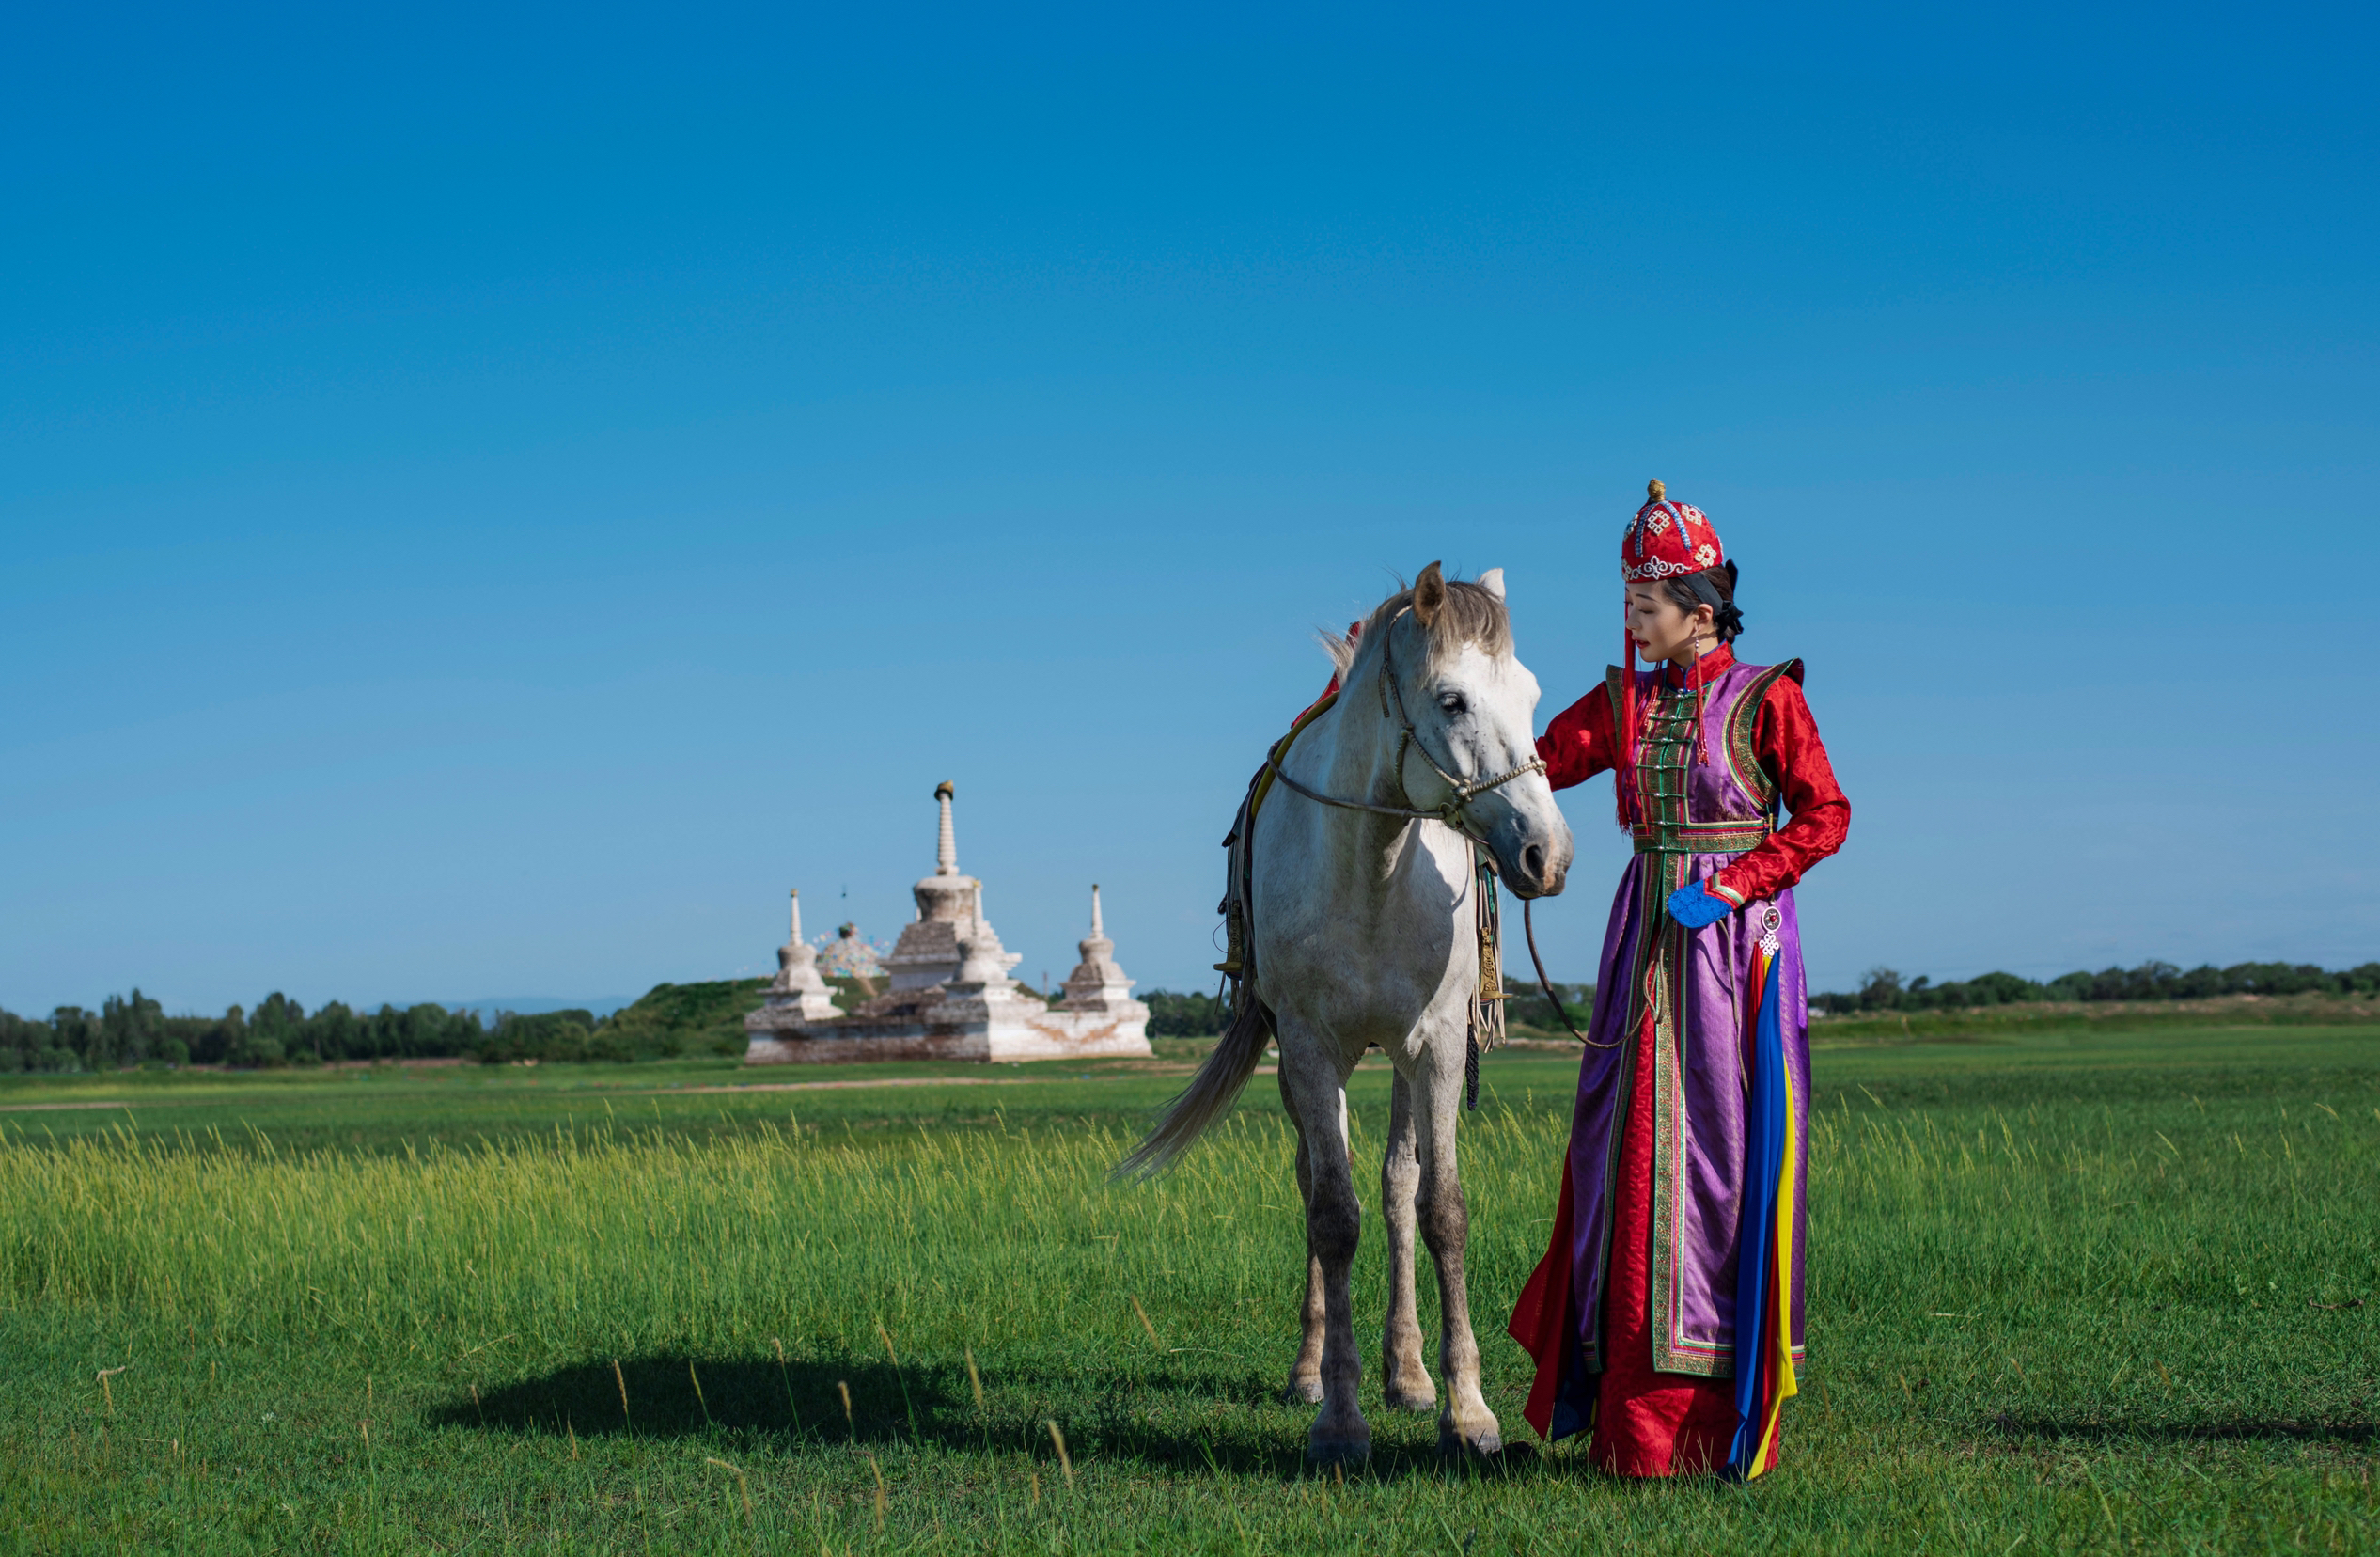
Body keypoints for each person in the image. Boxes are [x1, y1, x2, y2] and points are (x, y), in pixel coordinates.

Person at [1506, 480, 1850, 1480]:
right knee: (1618, 1153)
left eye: (1646, 606)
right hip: (1643, 944)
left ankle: (1706, 1418)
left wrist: (1737, 882)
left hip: (1734, 957)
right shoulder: (1624, 702)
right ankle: (1624, 1413)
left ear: (1700, 611)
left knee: (1720, 1156)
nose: (1633, 623)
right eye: (1628, 606)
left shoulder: (1768, 697)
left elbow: (1825, 815)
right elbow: (1527, 767)